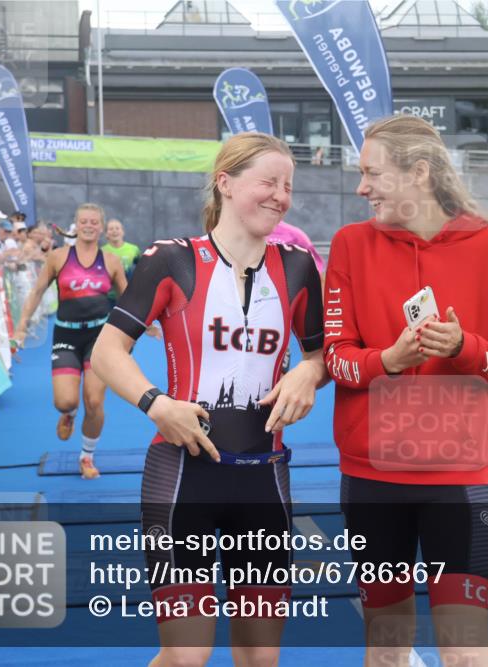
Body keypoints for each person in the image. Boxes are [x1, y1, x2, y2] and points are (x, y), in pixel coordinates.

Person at [91, 132, 327, 667]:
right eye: (267, 182)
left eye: (287, 186)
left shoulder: (297, 266)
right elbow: (108, 351)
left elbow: (319, 357)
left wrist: (307, 375)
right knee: (185, 657)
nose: (280, 196)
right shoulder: (171, 259)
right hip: (181, 475)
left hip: (264, 478)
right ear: (225, 182)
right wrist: (157, 403)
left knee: (260, 659)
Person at [324, 115, 488, 667]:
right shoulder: (349, 245)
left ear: (418, 173)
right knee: (387, 649)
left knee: (465, 653)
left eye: (372, 173)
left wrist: (464, 346)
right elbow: (337, 358)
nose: (360, 187)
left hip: (456, 483)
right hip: (371, 481)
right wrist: (388, 361)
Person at [14, 203, 128, 480]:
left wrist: (140, 328)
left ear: (101, 227)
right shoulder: (57, 257)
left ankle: (86, 456)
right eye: (83, 221)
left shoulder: (111, 261)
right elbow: (37, 292)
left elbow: (128, 299)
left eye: (94, 222)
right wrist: (21, 327)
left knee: (95, 401)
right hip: (66, 335)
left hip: (99, 338)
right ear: (76, 226)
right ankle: (69, 414)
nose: (89, 226)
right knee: (64, 401)